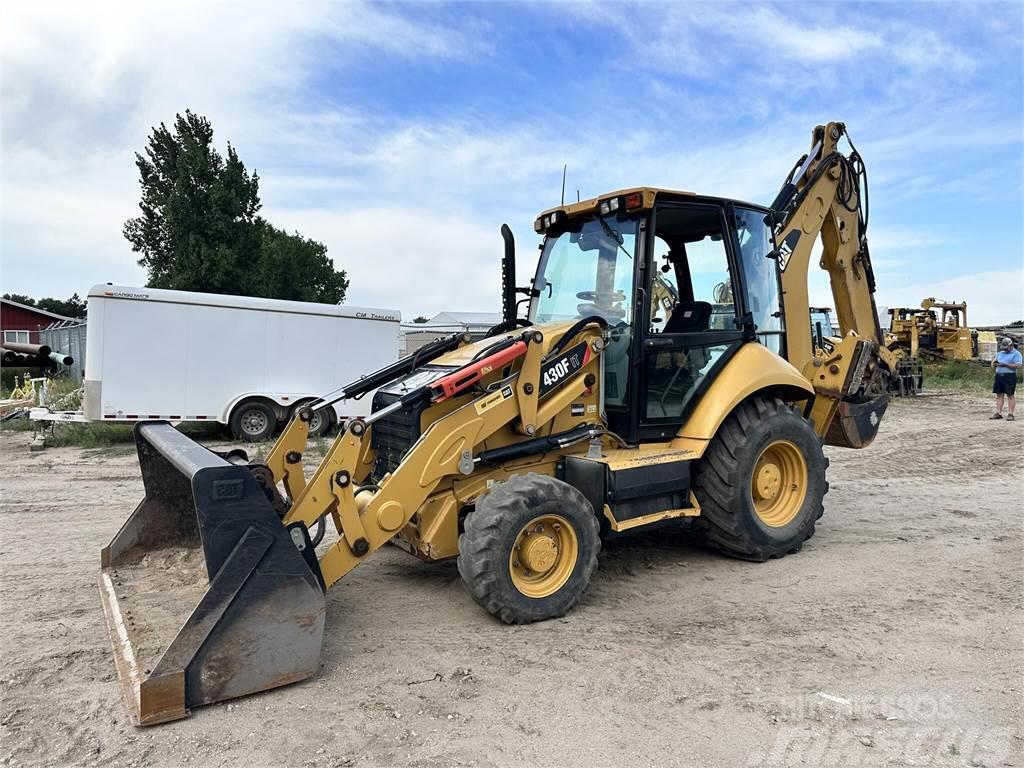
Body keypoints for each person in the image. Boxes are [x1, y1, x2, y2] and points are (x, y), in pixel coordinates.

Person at [990, 337, 1022, 421]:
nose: (1005, 349)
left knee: (1010, 395)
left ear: (1011, 345)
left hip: (1010, 376)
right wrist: (994, 363)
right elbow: (993, 362)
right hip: (999, 376)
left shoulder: (1016, 354)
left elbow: (1018, 365)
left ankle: (1011, 413)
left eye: (1006, 348)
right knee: (999, 395)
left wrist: (1005, 365)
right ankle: (998, 413)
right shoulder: (1000, 353)